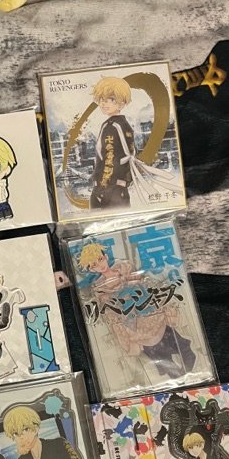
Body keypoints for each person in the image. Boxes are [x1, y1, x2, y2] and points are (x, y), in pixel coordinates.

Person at [78, 242, 196, 378]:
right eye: (94, 265)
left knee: (167, 335)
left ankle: (186, 354)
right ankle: (173, 372)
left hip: (147, 309)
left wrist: (134, 284)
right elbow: (110, 310)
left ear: (105, 257)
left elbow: (143, 282)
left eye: (100, 259)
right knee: (153, 349)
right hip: (131, 321)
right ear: (92, 270)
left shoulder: (125, 268)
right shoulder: (100, 288)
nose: (100, 265)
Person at [89, 77, 135, 210]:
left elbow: (110, 159)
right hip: (120, 189)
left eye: (111, 99)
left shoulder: (111, 126)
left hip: (108, 190)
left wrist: (100, 189)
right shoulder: (125, 125)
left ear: (122, 103)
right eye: (101, 99)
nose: (104, 103)